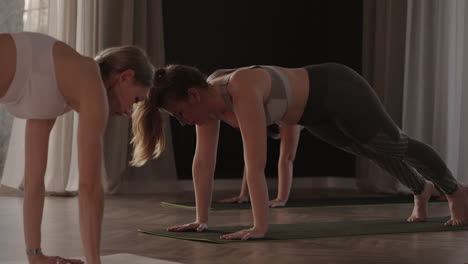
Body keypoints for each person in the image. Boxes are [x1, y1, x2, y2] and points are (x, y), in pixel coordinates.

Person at [131, 63, 468, 240]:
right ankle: (420, 189)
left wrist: (260, 227)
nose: (183, 122)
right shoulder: (208, 105)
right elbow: (203, 164)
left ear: (192, 95)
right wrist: (201, 219)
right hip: (312, 114)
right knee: (368, 150)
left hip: (336, 89)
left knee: (393, 144)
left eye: (178, 114)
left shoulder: (239, 87)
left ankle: (454, 191)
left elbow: (256, 162)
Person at [0, 32, 154, 264]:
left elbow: (34, 183)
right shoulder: (88, 79)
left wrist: (35, 255)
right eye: (135, 100)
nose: (128, 112)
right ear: (125, 77)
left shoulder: (54, 94)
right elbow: (89, 186)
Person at [218, 124, 302, 208]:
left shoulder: (288, 116)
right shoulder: (256, 118)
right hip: (269, 118)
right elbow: (252, 158)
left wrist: (281, 199)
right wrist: (244, 194)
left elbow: (287, 158)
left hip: (311, 121)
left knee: (287, 155)